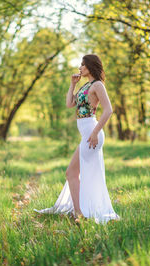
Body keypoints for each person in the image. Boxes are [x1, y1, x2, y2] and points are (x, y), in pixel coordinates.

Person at [34, 54, 120, 224]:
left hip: (91, 133)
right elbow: (69, 104)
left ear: (90, 66)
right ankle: (79, 212)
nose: (80, 68)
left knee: (71, 172)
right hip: (86, 134)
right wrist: (72, 84)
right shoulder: (85, 85)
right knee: (74, 173)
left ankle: (79, 214)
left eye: (83, 65)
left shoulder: (98, 85)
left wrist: (95, 132)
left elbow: (108, 110)